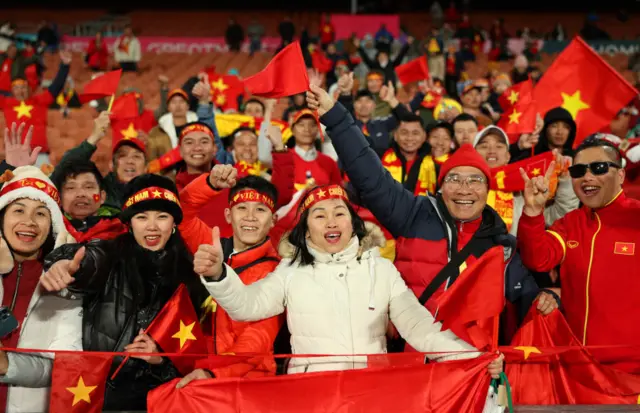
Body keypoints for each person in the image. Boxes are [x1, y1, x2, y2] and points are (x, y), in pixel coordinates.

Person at [305, 85, 558, 349]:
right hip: (409, 360)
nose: (464, 189)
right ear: (440, 187)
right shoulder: (413, 212)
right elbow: (371, 176)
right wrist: (336, 117)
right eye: (454, 179)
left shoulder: (501, 245)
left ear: (487, 189)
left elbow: (527, 298)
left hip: (467, 370)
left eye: (474, 180)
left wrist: (548, 298)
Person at [193, 183, 504, 376]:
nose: (331, 221)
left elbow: (421, 329)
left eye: (339, 213)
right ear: (306, 230)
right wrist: (219, 275)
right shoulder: (290, 272)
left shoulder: (381, 270)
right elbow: (247, 306)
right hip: (311, 393)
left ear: (353, 224)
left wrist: (473, 358)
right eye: (319, 215)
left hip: (370, 392)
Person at [16, 174, 210, 410]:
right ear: (129, 224)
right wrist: (65, 264)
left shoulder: (191, 276)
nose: (152, 226)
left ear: (174, 223)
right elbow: (87, 259)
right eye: (141, 217)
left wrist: (162, 360)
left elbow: (192, 354)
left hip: (158, 399)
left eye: (162, 216)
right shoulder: (110, 253)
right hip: (96, 396)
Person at [517, 137, 640, 373]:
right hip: (579, 368)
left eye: (599, 168)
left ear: (621, 176)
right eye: (578, 170)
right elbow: (538, 259)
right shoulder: (570, 223)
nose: (587, 177)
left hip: (632, 372)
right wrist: (533, 211)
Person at [176, 167, 283, 385]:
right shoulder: (212, 248)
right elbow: (182, 213)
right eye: (241, 208)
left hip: (248, 383)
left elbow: (258, 339)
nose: (250, 217)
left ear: (274, 219)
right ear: (227, 214)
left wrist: (213, 373)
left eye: (261, 210)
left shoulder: (278, 272)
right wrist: (209, 184)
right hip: (200, 375)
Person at [0, 164, 76, 413]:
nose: (29, 222)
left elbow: (63, 369)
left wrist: (7, 365)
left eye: (41, 214)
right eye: (18, 210)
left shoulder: (65, 284)